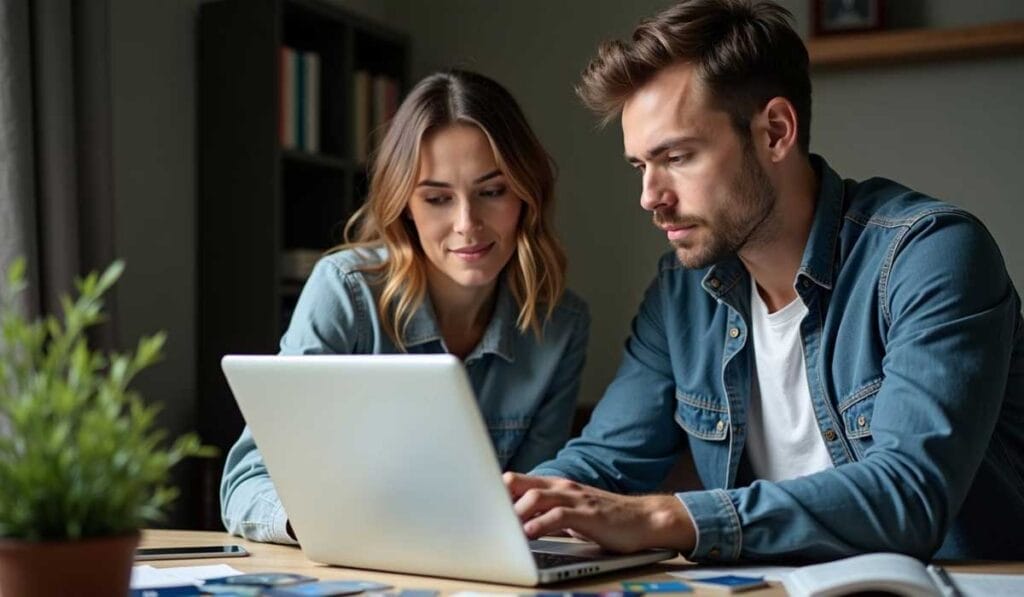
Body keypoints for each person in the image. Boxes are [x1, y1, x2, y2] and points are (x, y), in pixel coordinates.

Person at [504, 0, 1024, 562]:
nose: (650, 197)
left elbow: (909, 495)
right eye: (640, 166)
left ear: (775, 131)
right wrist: (507, 509)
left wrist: (669, 516)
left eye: (676, 156)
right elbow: (602, 464)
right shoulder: (681, 294)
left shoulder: (931, 254)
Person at [222, 70, 590, 544]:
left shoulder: (560, 324)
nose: (466, 224)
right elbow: (245, 483)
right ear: (405, 208)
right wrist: (326, 525)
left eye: (492, 192)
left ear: (527, 193)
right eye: (437, 198)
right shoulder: (344, 293)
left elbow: (534, 499)